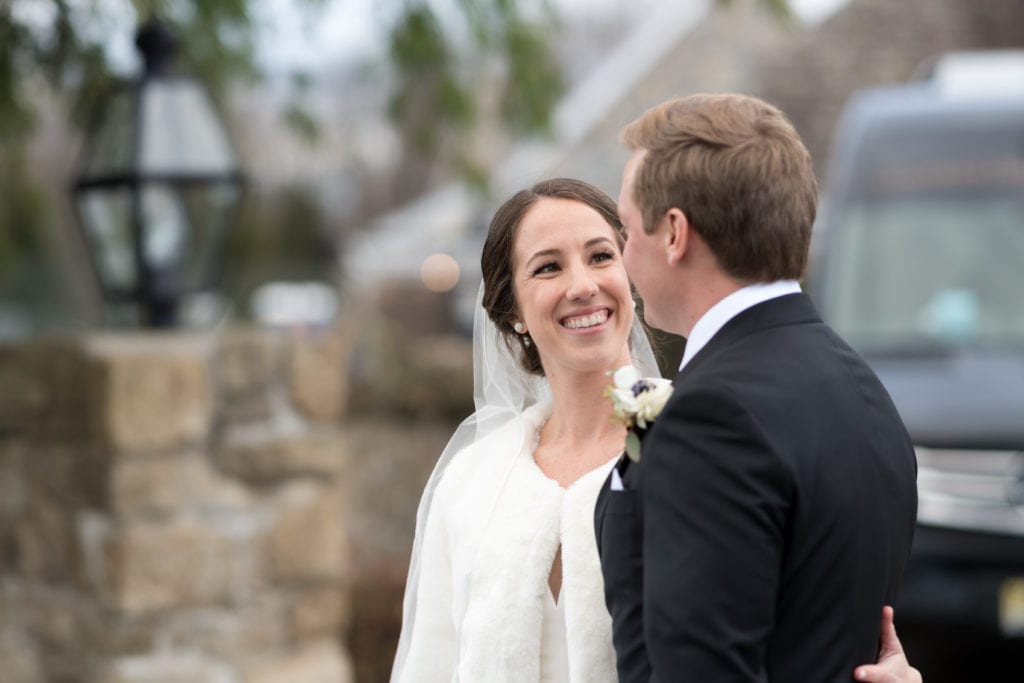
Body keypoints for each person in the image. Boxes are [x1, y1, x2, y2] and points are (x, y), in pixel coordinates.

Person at [391, 177, 919, 682]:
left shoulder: (706, 446)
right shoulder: (471, 483)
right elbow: (430, 666)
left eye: (601, 256)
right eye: (548, 267)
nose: (583, 285)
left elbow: (797, 627)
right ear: (512, 311)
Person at [595, 93, 920, 681]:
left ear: (674, 233)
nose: (622, 254)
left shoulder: (712, 417)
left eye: (623, 228)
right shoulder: (861, 388)